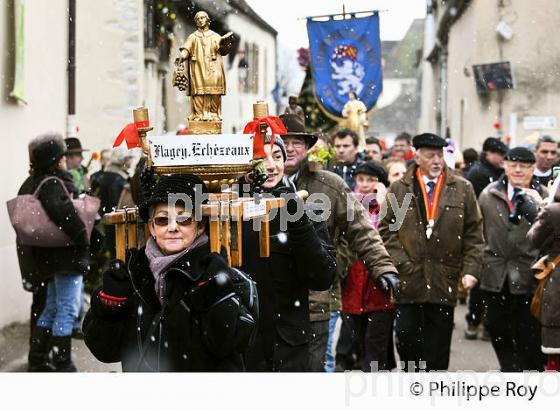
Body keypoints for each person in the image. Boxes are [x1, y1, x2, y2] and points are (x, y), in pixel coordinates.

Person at [83, 174, 258, 371]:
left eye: (184, 219)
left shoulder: (226, 276)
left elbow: (233, 345)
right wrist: (109, 305)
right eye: (163, 219)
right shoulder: (132, 274)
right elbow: (105, 352)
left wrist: (216, 296)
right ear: (152, 227)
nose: (172, 227)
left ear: (200, 226)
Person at [279, 114, 398, 373]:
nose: (289, 148)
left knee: (312, 372)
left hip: (316, 299)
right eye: (283, 141)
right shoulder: (254, 185)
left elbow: (361, 228)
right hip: (270, 301)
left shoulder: (329, 185)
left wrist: (383, 266)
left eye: (296, 142)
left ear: (308, 147)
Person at [379, 133, 484, 371]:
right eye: (430, 155)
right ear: (416, 157)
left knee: (437, 351)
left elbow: (474, 235)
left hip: (443, 280)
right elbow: (387, 231)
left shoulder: (462, 189)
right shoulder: (400, 189)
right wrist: (401, 263)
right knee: (407, 343)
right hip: (409, 282)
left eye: (440, 155)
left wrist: (471, 269)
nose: (437, 160)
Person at [239, 136, 336, 371]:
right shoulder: (233, 213)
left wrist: (296, 215)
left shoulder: (308, 209)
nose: (271, 165)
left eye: (277, 156)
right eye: (260, 158)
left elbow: (322, 276)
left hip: (289, 347)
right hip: (245, 346)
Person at [18, 133, 90, 372]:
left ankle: (37, 359)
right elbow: (66, 216)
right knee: (66, 309)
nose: (64, 160)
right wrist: (84, 237)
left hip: (44, 258)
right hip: (63, 257)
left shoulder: (30, 183)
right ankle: (62, 362)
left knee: (50, 307)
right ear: (54, 159)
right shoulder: (51, 183)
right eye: (61, 156)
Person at [478, 147, 546, 371]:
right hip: (494, 273)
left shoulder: (544, 196)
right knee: (496, 327)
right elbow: (478, 232)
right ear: (504, 166)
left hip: (530, 276)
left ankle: (530, 376)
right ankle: (509, 372)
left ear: (532, 168)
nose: (518, 170)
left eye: (524, 166)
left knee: (528, 332)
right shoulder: (489, 194)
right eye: (513, 164)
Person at [337, 162, 396, 371]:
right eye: (360, 179)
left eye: (370, 180)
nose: (364, 185)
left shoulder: (389, 204)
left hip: (378, 275)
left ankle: (375, 371)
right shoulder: (348, 202)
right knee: (357, 332)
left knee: (377, 335)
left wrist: (382, 203)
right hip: (353, 274)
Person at [462, 137, 507, 340]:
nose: (502, 159)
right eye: (499, 154)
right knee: (480, 283)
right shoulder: (479, 173)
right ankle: (474, 320)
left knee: (489, 283)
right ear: (488, 153)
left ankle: (485, 322)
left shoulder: (496, 172)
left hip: (494, 235)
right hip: (482, 234)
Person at [527, 178, 560, 371]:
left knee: (555, 359)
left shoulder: (554, 212)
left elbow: (533, 239)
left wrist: (542, 207)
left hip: (557, 283)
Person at [176, 11, 232, 121]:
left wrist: (226, 44)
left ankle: (213, 113)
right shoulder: (193, 37)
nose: (200, 20)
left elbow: (223, 51)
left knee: (214, 91)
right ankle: (199, 114)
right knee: (198, 92)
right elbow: (186, 49)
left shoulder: (215, 36)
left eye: (202, 18)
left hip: (213, 68)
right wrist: (182, 56)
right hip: (198, 68)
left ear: (207, 20)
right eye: (198, 19)